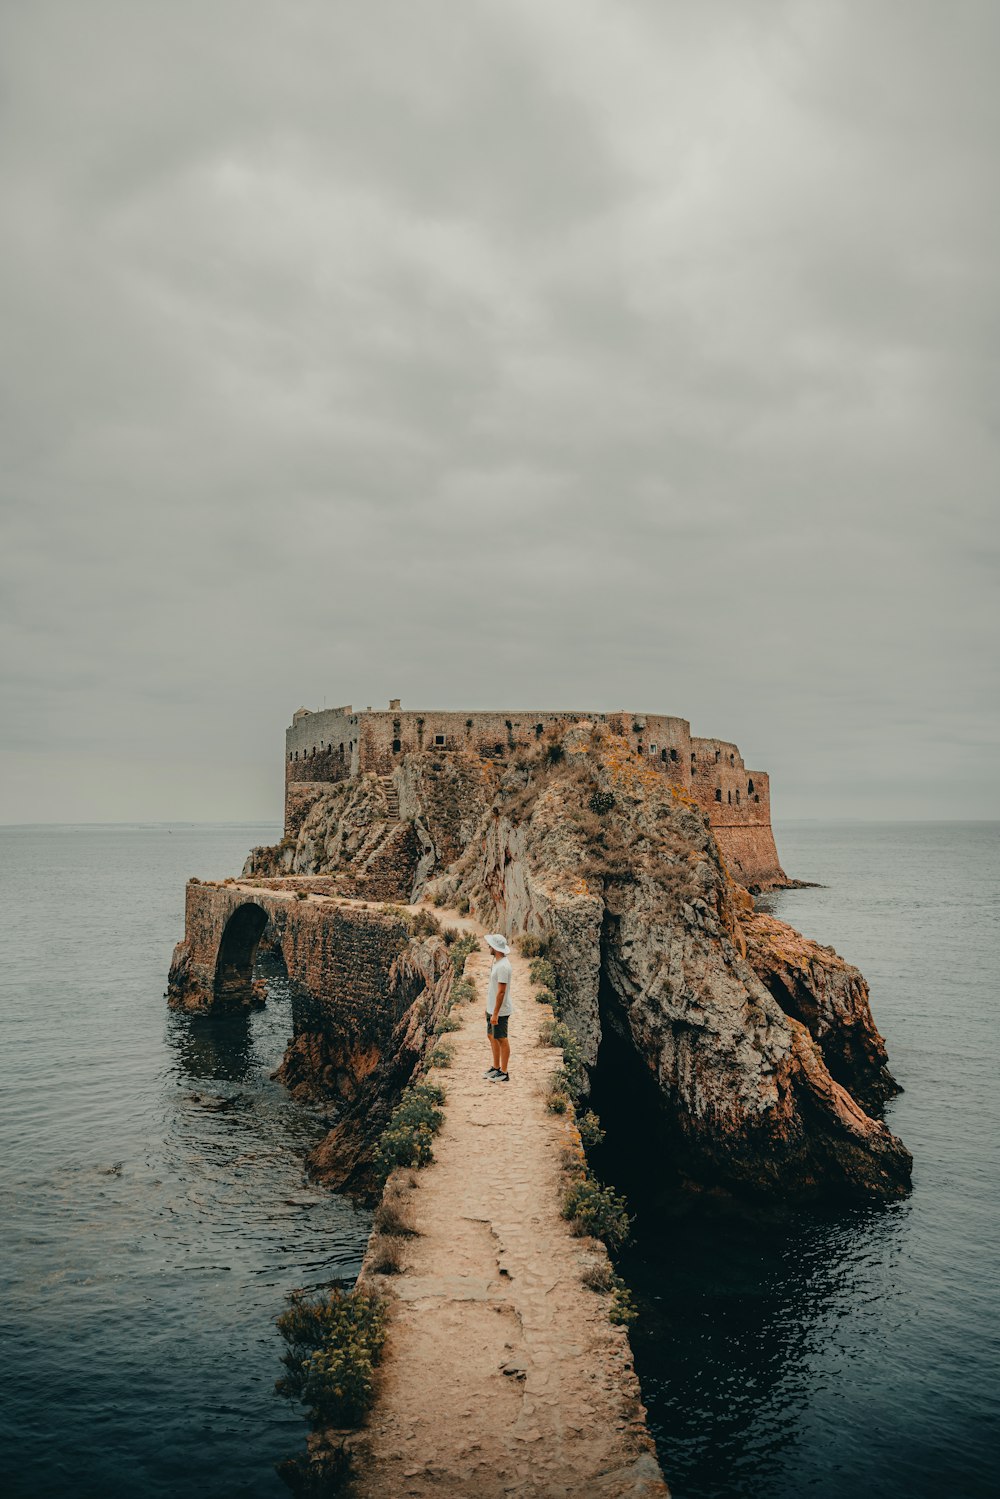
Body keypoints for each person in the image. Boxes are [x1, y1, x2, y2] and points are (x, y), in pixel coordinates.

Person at [483, 933, 513, 1084]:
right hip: (491, 1008)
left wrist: (495, 1014)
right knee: (492, 1036)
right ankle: (496, 1067)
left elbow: (501, 992)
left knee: (502, 1038)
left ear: (495, 948)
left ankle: (504, 1072)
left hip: (499, 1011)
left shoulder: (503, 967)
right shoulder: (498, 963)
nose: (488, 947)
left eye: (490, 945)